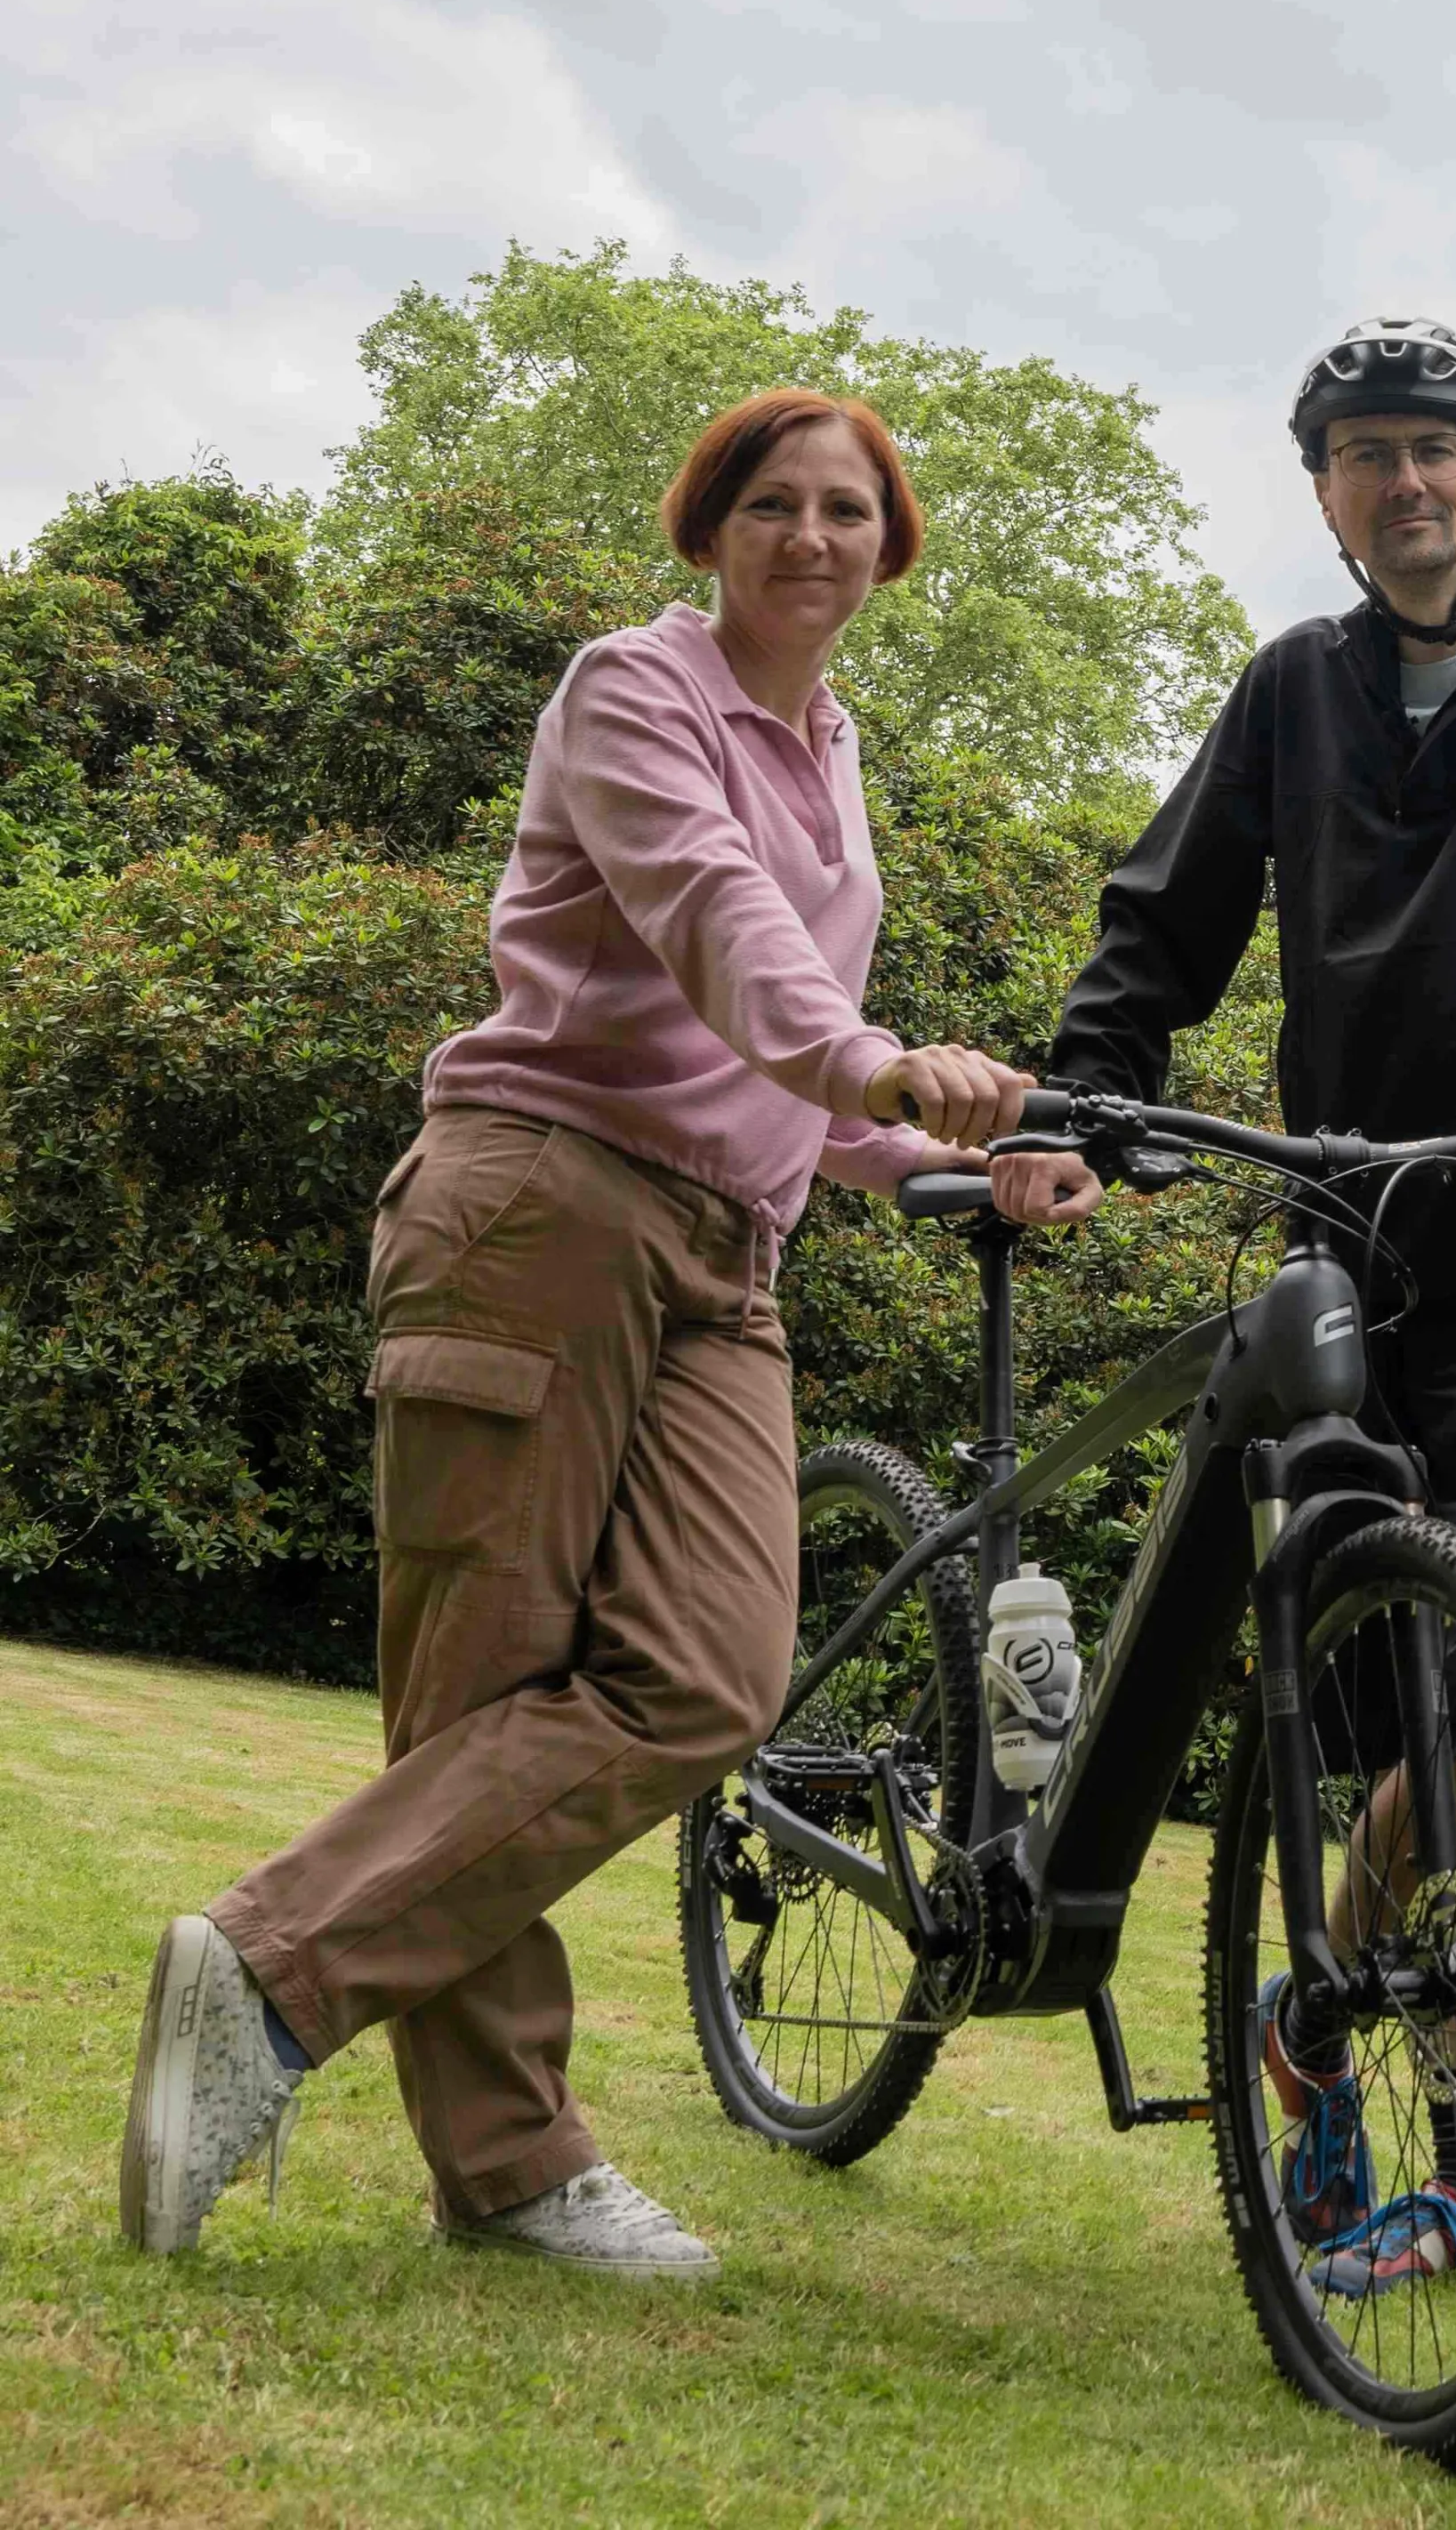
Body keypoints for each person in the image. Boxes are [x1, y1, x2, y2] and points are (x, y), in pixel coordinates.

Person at [121, 391, 1046, 2278]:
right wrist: (868, 1054)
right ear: (709, 529)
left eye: (849, 510)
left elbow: (776, 1052)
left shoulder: (833, 747)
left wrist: (945, 1159)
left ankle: (272, 1971)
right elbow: (716, 928)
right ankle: (511, 2168)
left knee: (705, 1679)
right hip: (543, 1201)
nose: (812, 536)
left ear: (891, 546)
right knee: (480, 1693)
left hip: (727, 1255)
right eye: (772, 504)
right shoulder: (634, 690)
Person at [989, 314, 1456, 2298]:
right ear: (1327, 494)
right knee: (1383, 1721)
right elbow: (1168, 912)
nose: (1408, 483)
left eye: (1439, 450)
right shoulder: (1295, 693)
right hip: (1362, 1247)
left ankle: (1308, 2029)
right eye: (1368, 455)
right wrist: (1082, 1102)